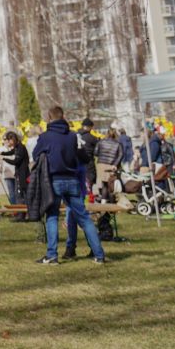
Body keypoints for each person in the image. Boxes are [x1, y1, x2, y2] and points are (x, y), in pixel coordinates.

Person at [33, 107, 106, 264]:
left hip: (53, 180)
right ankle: (99, 255)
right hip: (72, 179)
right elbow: (84, 156)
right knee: (84, 218)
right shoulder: (73, 136)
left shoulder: (45, 137)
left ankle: (52, 255)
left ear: (49, 117)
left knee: (52, 216)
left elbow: (35, 155)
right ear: (63, 117)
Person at [0, 130, 30, 207]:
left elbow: (15, 161)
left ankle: (24, 209)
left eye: (9, 140)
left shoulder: (20, 147)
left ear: (13, 139)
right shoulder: (17, 147)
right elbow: (11, 152)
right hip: (19, 173)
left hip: (23, 174)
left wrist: (3, 158)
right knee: (18, 193)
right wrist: (2, 153)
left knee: (21, 193)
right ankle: (21, 209)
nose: (8, 142)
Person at [94, 129, 125, 203]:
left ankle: (103, 201)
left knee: (104, 184)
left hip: (101, 164)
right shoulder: (118, 143)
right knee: (111, 185)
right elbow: (121, 155)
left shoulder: (101, 142)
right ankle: (111, 202)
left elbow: (95, 153)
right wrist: (115, 164)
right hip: (111, 165)